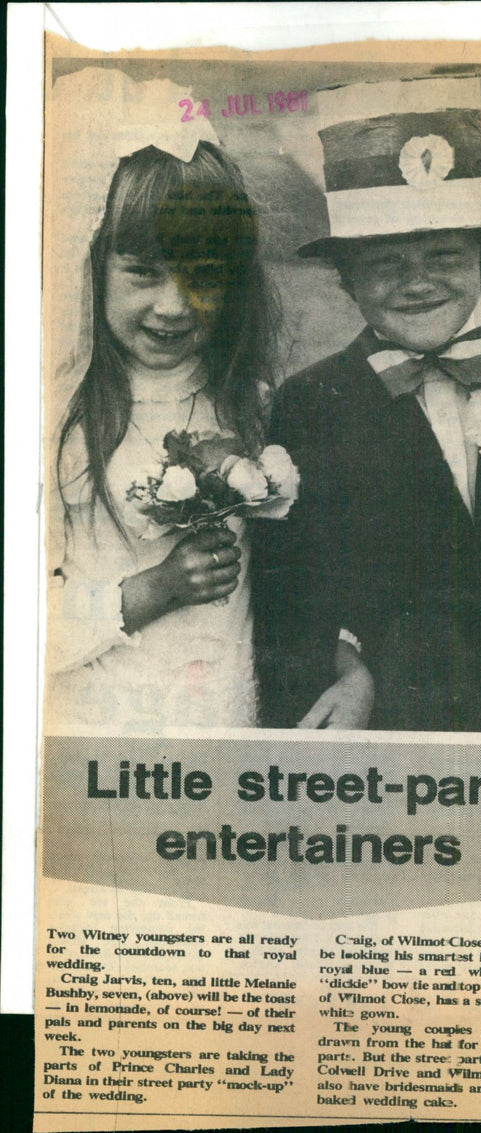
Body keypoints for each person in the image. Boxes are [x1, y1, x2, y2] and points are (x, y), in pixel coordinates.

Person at [255, 74, 481, 733]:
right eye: (386, 263)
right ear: (347, 278)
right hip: (397, 724)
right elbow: (289, 588)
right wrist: (344, 666)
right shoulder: (311, 404)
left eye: (444, 254)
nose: (419, 281)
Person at [47, 132, 279, 730]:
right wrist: (155, 590)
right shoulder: (62, 419)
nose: (173, 306)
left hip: (225, 713)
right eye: (143, 273)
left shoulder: (248, 402)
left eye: (202, 276)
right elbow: (22, 626)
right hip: (108, 721)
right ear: (96, 268)